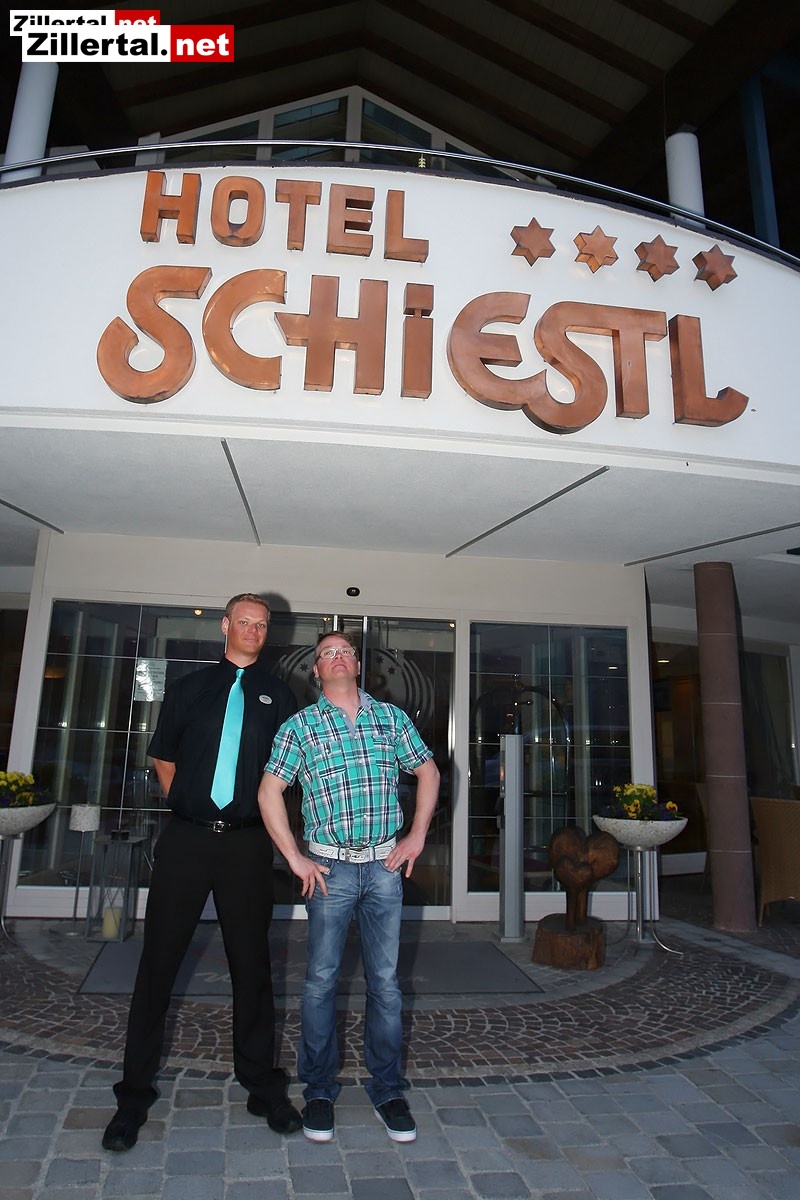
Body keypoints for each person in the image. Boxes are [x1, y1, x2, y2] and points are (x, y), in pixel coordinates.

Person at [102, 593, 302, 1152]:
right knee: (158, 964)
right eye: (245, 621)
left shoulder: (280, 695)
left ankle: (262, 1086)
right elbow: (164, 757)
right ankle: (133, 1097)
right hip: (187, 841)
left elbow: (286, 774)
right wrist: (190, 806)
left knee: (252, 967)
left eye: (262, 624)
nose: (254, 630)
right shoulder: (190, 688)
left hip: (246, 846)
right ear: (225, 625)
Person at [258, 630, 440, 1145]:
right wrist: (294, 857)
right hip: (329, 871)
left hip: (384, 867)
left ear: (358, 665)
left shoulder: (391, 719)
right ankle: (318, 1091)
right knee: (320, 981)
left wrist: (416, 836)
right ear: (316, 671)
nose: (337, 657)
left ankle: (388, 1090)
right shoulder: (300, 726)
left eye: (345, 651)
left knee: (385, 983)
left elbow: (428, 772)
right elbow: (269, 791)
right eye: (327, 653)